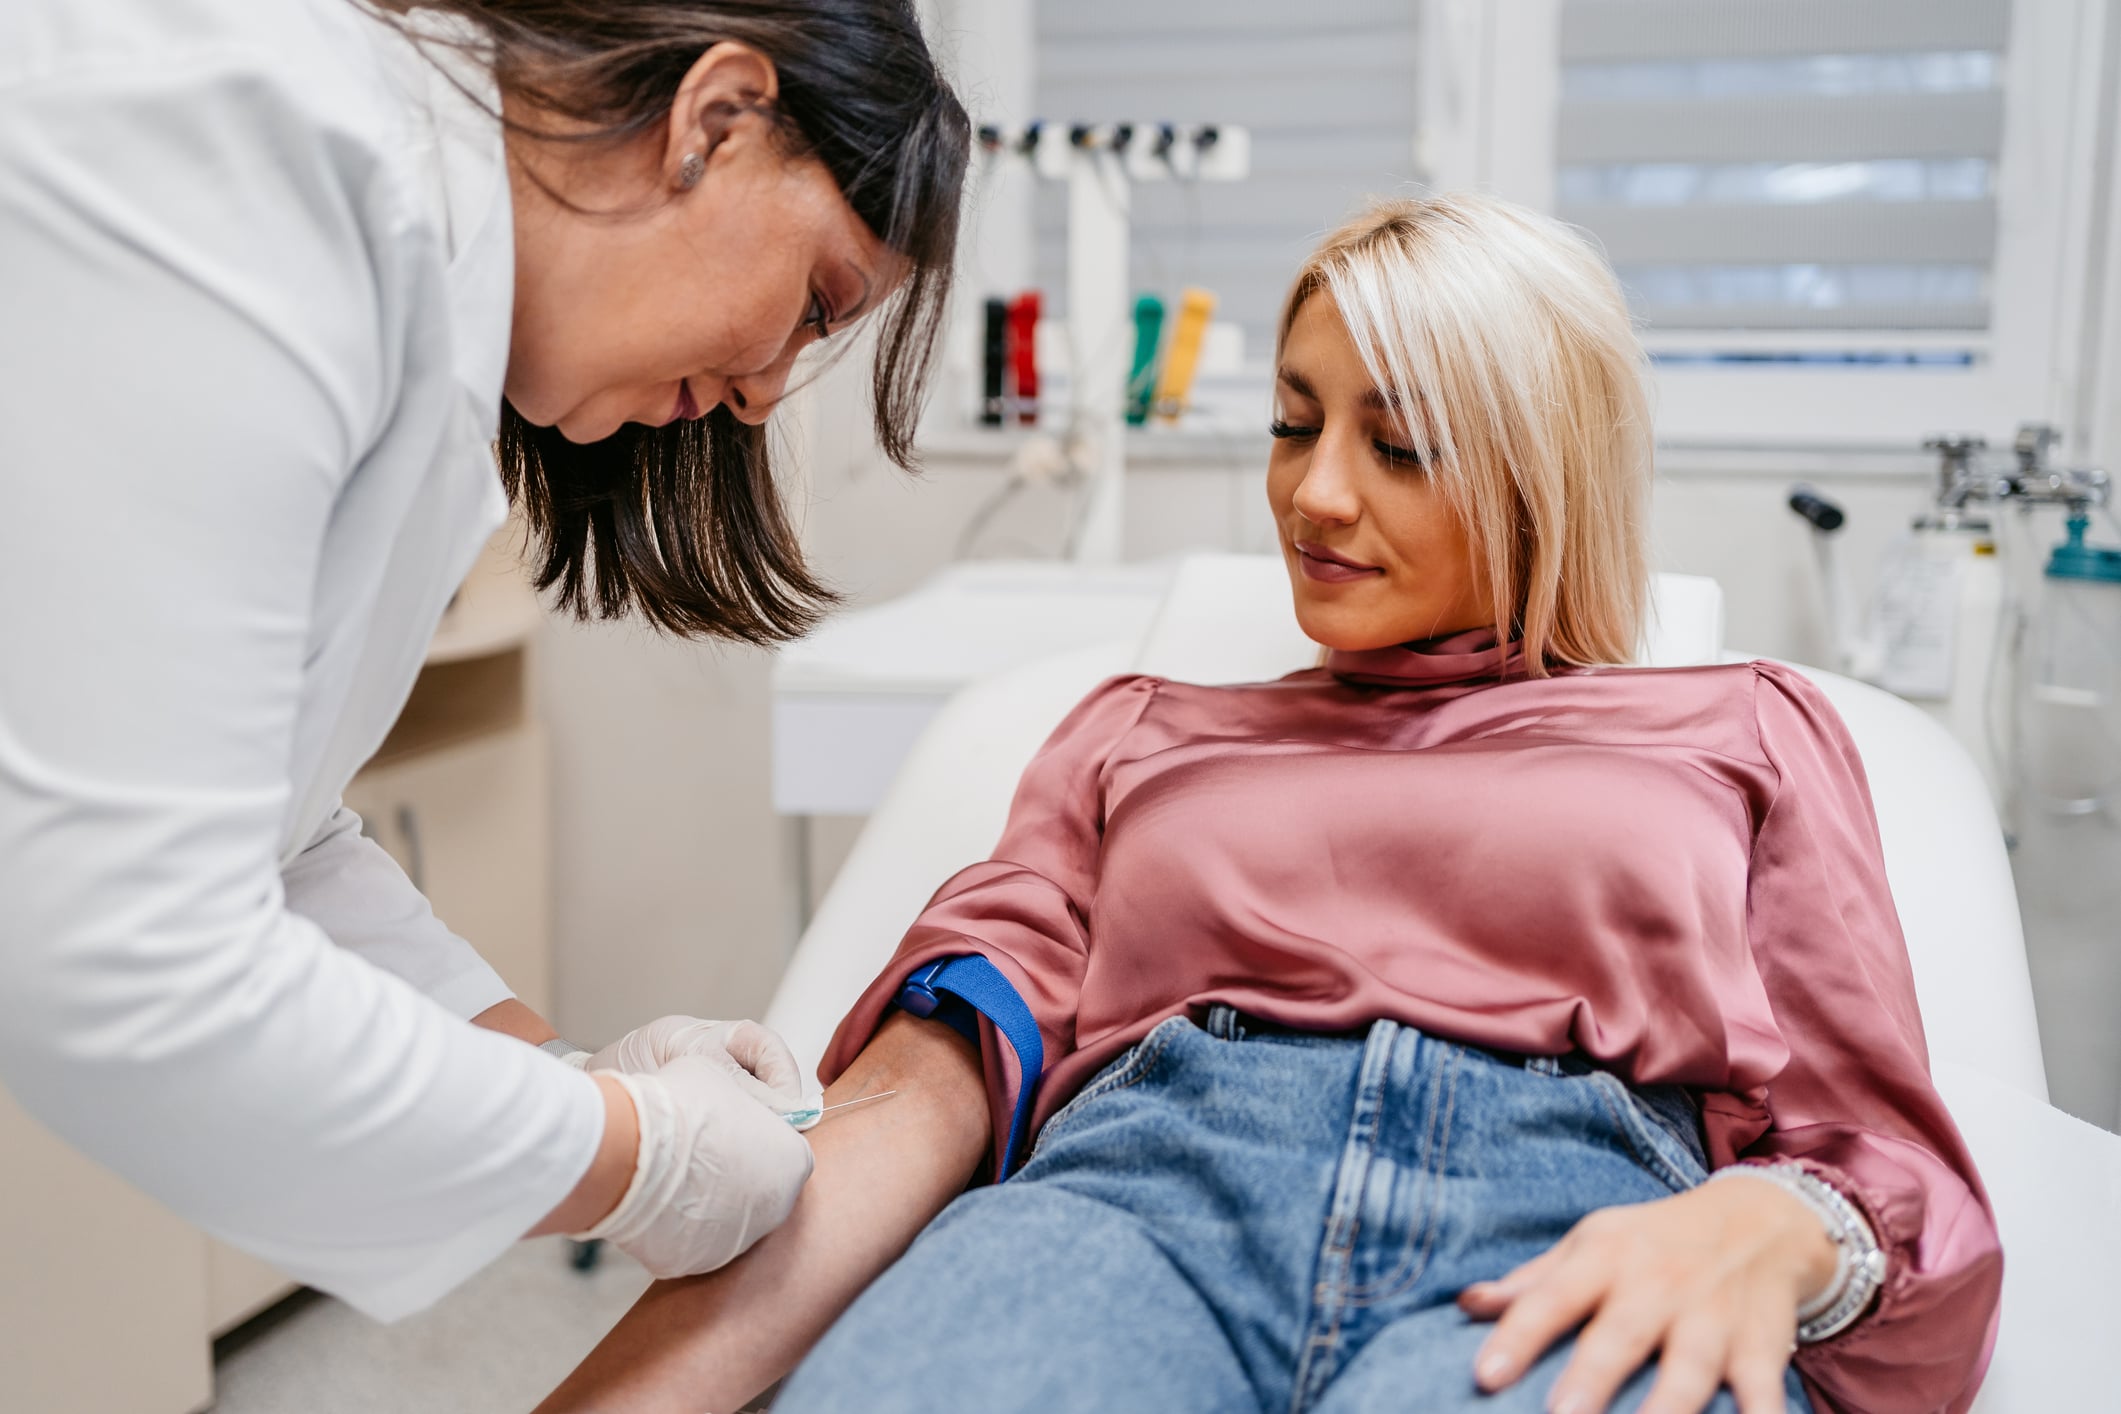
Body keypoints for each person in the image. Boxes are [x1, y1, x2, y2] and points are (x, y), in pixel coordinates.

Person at [534, 196, 2001, 1414]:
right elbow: (933, 1084)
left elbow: (1879, 1157)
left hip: (1570, 1234)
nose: (1313, 495)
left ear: (1544, 466)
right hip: (1129, 1210)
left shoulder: (1737, 729)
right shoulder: (1138, 730)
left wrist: (1787, 1229)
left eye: (1399, 442)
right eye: (1294, 426)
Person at [0, 0, 967, 1320]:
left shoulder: (417, 291)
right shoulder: (270, 148)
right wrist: (632, 1155)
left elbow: (270, 842)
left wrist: (571, 1075)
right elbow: (130, 952)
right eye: (814, 302)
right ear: (716, 120)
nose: (761, 390)